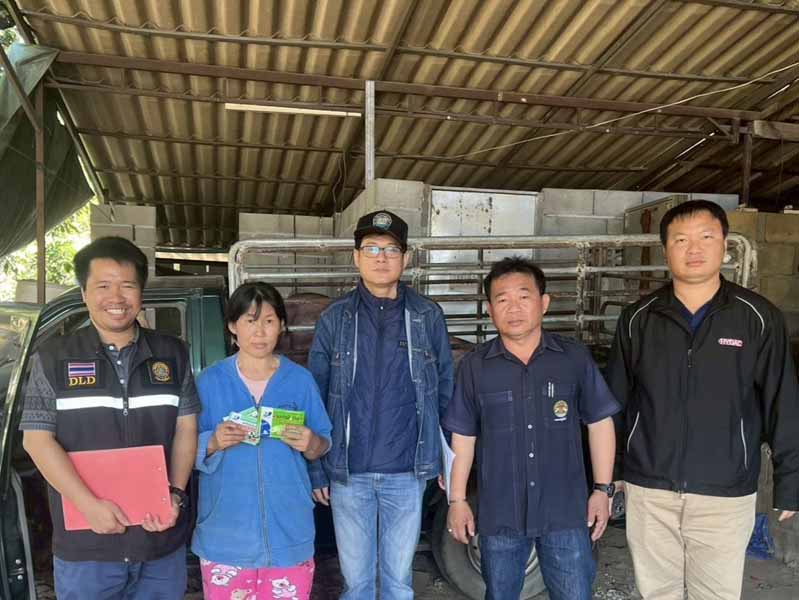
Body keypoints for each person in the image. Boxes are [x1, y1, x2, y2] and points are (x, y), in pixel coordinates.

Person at [607, 200, 799, 600]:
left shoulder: (757, 317)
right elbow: (618, 401)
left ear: (724, 245)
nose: (693, 248)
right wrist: (614, 472)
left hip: (725, 490)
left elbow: (783, 401)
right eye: (681, 240)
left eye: (706, 237)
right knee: (657, 592)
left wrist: (790, 482)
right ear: (666, 250)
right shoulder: (639, 318)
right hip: (650, 488)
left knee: (715, 593)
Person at [20, 236, 199, 600]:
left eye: (127, 285)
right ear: (84, 293)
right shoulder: (53, 357)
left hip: (159, 541)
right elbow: (36, 440)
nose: (116, 297)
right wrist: (87, 505)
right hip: (88, 547)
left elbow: (186, 428)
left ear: (141, 292)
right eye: (103, 286)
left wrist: (176, 495)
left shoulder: (173, 354)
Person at [443, 256, 620, 600]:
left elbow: (600, 422)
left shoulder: (573, 358)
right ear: (490, 310)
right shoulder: (475, 367)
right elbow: (463, 437)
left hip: (565, 512)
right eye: (502, 299)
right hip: (500, 514)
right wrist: (457, 500)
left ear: (544, 303)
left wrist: (603, 489)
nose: (514, 308)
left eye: (524, 297)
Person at [307, 210, 454, 599]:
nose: (381, 257)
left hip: (406, 473)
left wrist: (447, 460)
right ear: (356, 256)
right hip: (348, 474)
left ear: (406, 258)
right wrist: (317, 470)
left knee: (398, 583)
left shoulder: (427, 315)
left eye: (391, 249)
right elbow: (315, 397)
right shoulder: (335, 318)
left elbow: (445, 390)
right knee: (356, 584)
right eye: (371, 248)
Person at [192, 281, 332, 600]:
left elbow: (323, 442)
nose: (260, 332)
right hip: (225, 536)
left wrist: (311, 443)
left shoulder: (299, 380)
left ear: (281, 325)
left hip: (289, 532)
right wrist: (212, 441)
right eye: (250, 321)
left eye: (269, 321)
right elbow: (184, 448)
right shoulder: (210, 381)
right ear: (232, 326)